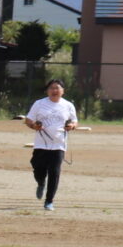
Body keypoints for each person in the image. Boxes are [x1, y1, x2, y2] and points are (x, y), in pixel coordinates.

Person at [24, 78, 79, 212]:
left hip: (58, 144)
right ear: (47, 91)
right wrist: (34, 126)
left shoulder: (68, 105)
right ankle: (41, 182)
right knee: (38, 168)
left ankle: (49, 201)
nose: (54, 90)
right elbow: (28, 120)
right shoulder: (39, 104)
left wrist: (71, 125)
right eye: (51, 88)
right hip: (41, 144)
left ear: (63, 91)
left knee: (54, 172)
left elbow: (74, 121)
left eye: (57, 88)